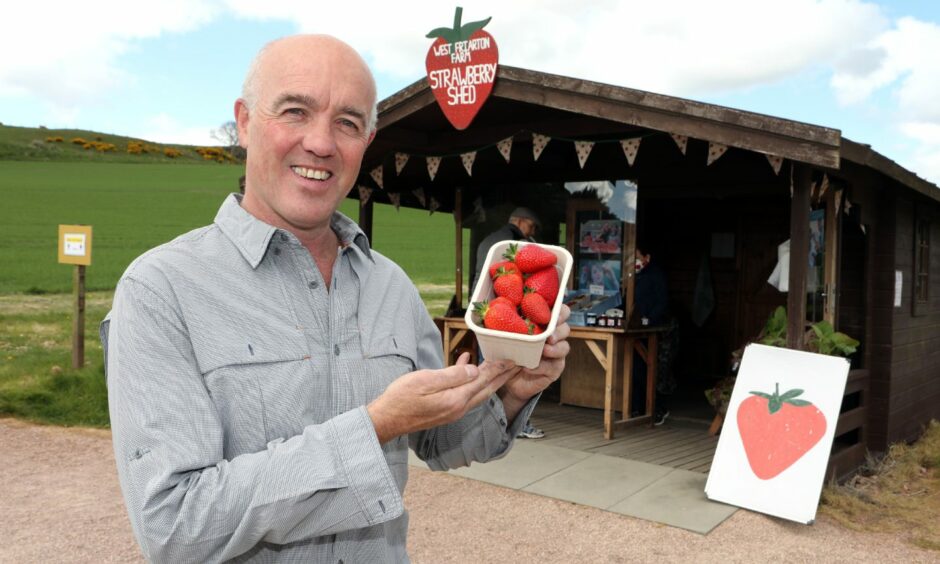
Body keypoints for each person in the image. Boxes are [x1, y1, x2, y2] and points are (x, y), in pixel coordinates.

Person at [100, 35, 570, 563]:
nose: (321, 143)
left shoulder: (391, 286)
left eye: (347, 122)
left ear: (366, 140)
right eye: (295, 111)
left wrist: (512, 391)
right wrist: (375, 427)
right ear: (246, 122)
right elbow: (173, 526)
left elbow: (443, 442)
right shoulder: (161, 290)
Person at [472, 207, 546, 440]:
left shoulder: (489, 240)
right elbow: (512, 280)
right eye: (531, 227)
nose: (531, 233)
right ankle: (509, 425)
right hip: (501, 310)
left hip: (484, 310)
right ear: (522, 222)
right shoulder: (510, 244)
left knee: (488, 368)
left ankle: (483, 424)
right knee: (513, 368)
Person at [631, 243, 678, 426]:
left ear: (647, 257)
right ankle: (638, 409)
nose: (634, 261)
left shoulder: (656, 274)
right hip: (638, 329)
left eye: (637, 256)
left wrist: (649, 320)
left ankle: (659, 409)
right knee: (637, 369)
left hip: (660, 329)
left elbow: (662, 302)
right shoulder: (633, 275)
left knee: (659, 370)